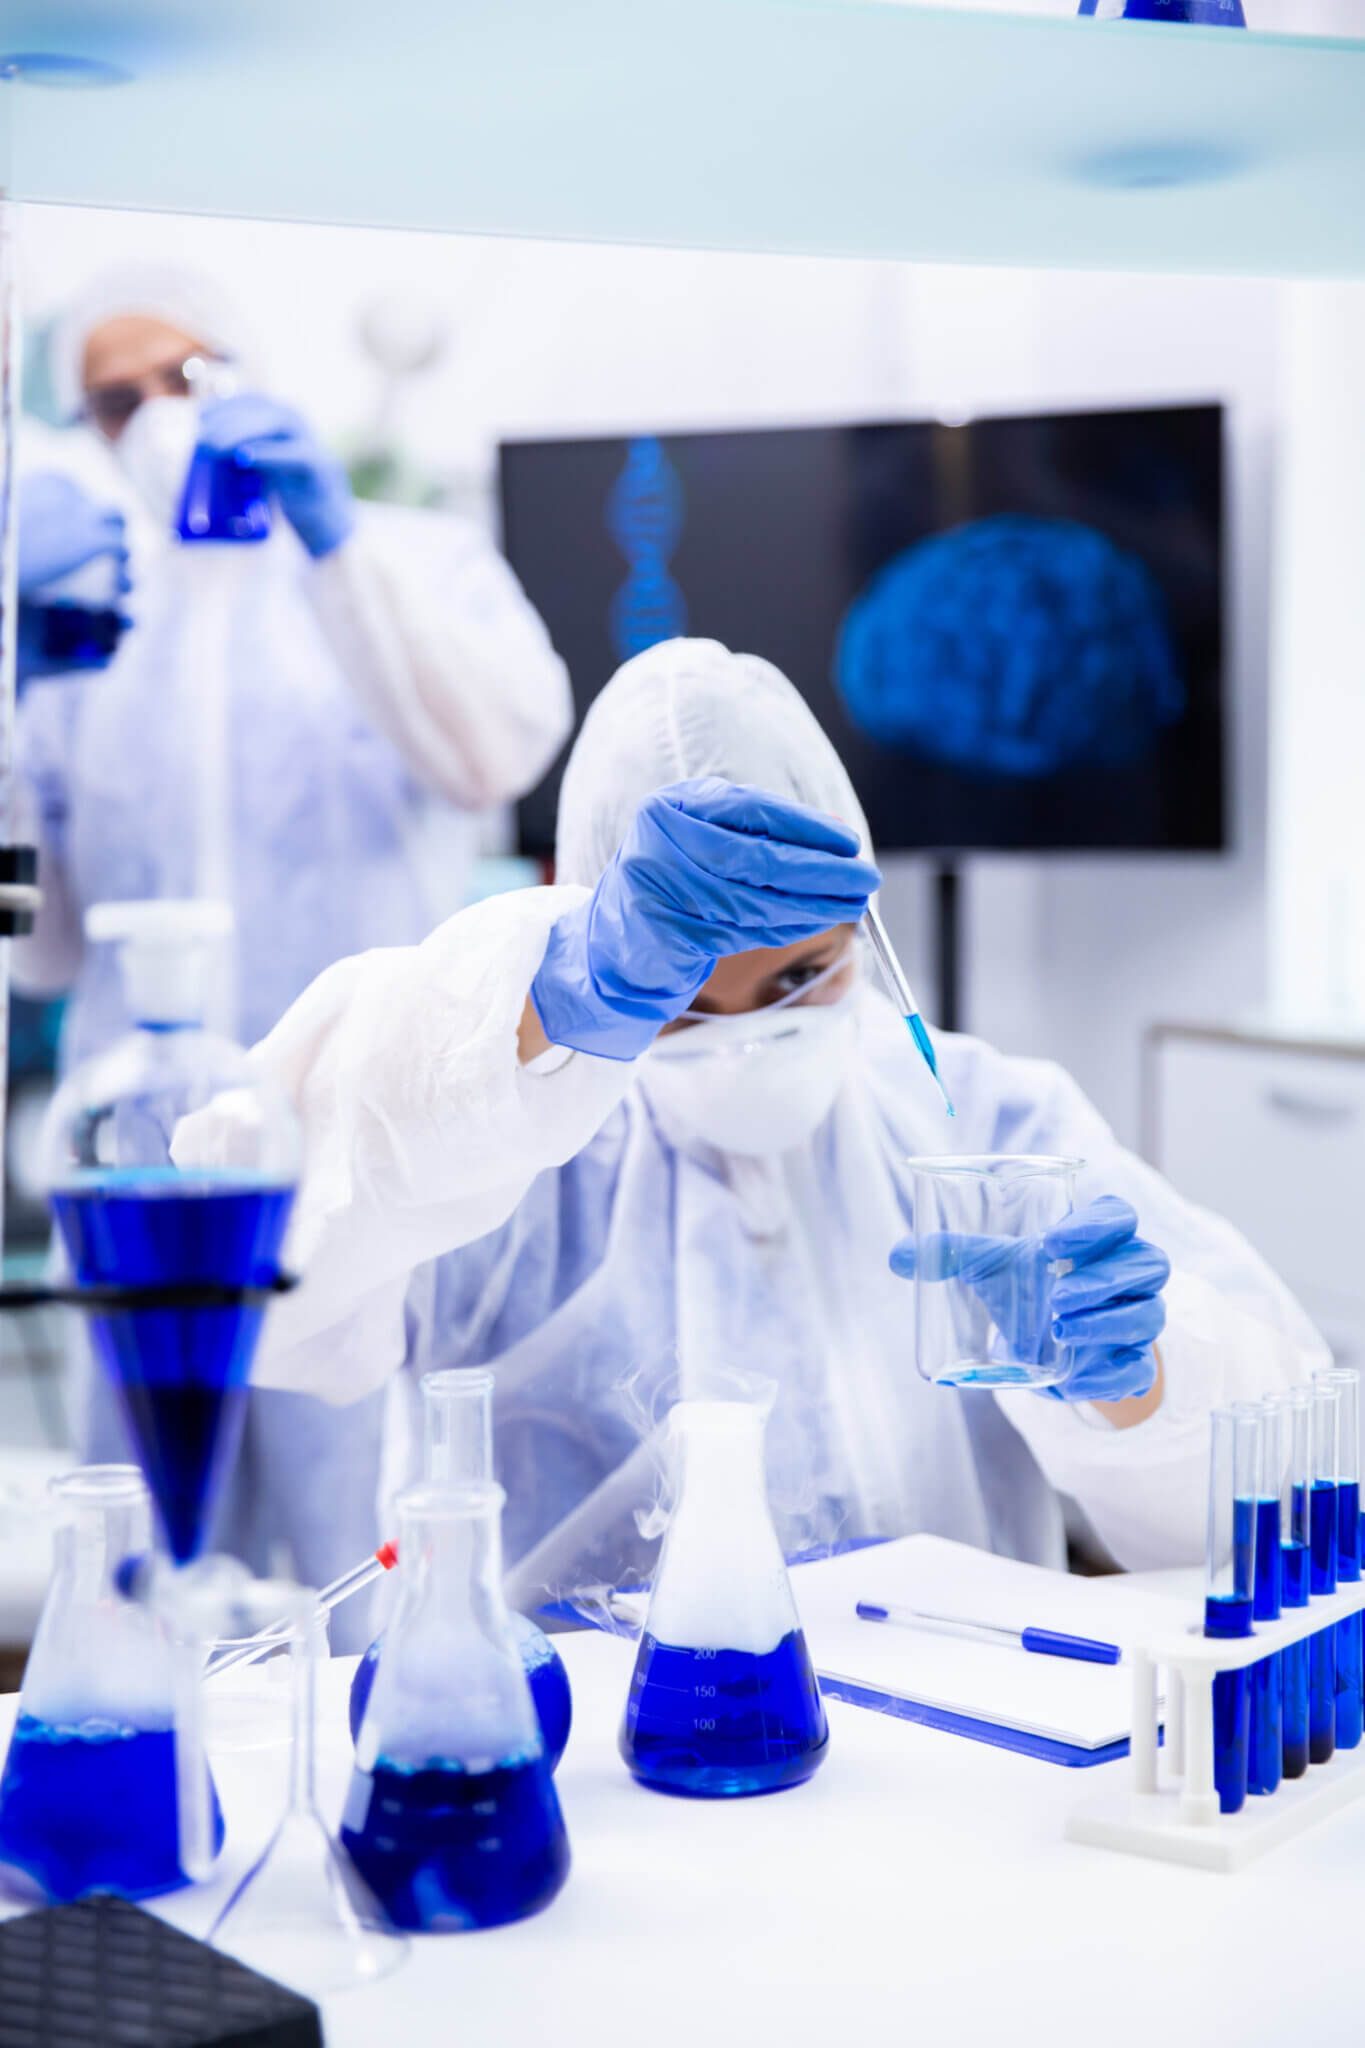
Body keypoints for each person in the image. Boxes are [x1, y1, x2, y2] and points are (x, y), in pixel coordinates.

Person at [188, 637, 1326, 1612]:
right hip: (573, 1776)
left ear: (860, 924)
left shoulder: (982, 1119)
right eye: (679, 1003)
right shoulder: (496, 1128)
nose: (740, 1039)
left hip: (957, 1767)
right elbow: (240, 1265)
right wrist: (539, 1004)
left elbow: (1268, 1512)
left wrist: (1137, 1384)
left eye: (798, 980)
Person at [13, 267, 573, 1621]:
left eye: (187, 375)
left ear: (250, 370)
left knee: (376, 1547)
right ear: (78, 430)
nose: (155, 413)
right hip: (144, 1173)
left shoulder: (409, 556)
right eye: (114, 398)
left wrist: (337, 549)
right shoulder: (90, 604)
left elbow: (499, 750)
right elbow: (35, 947)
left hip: (369, 1134)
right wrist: (14, 687)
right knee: (146, 1563)